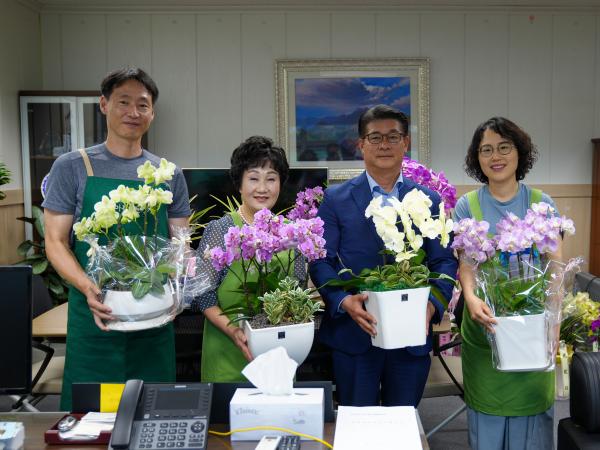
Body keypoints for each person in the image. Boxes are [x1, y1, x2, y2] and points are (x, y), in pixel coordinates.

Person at [43, 68, 191, 411]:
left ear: (152, 113)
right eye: (123, 102)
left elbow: (180, 241)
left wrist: (179, 285)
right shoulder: (73, 166)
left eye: (143, 105)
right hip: (97, 317)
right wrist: (86, 287)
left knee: (154, 415)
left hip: (152, 315)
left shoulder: (168, 173)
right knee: (90, 418)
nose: (133, 112)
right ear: (104, 105)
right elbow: (55, 241)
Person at [309, 105, 457, 406]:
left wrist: (431, 306)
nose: (384, 145)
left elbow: (444, 261)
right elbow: (321, 260)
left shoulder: (427, 200)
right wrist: (342, 301)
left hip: (411, 334)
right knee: (356, 424)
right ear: (360, 144)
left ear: (406, 143)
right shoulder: (336, 200)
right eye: (375, 137)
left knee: (402, 423)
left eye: (393, 136)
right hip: (354, 333)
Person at [453, 117, 561, 450]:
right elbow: (466, 267)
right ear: (477, 158)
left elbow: (555, 270)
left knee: (532, 424)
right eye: (486, 150)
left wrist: (553, 327)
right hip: (486, 332)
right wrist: (470, 298)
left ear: (519, 152)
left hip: (532, 332)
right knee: (487, 419)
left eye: (504, 147)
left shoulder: (542, 203)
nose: (495, 156)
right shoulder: (466, 206)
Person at [193, 136, 305, 382]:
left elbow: (297, 291)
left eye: (271, 179)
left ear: (281, 184)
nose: (262, 188)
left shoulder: (292, 233)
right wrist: (233, 330)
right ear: (240, 184)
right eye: (253, 178)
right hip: (228, 353)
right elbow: (203, 294)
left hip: (278, 357)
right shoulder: (220, 230)